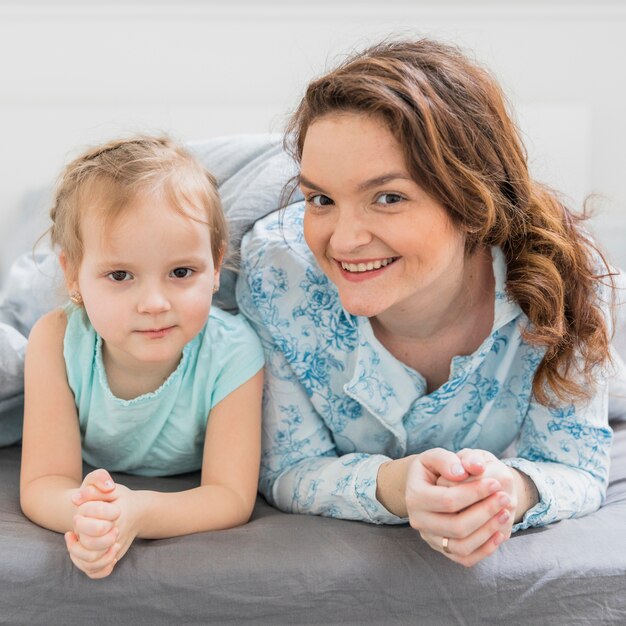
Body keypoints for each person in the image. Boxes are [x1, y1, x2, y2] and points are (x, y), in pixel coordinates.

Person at [236, 39, 615, 567]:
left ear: (471, 201)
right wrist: (397, 487)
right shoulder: (276, 275)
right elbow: (289, 468)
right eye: (321, 199)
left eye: (388, 198)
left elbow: (576, 467)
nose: (343, 242)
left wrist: (503, 490)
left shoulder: (563, 281)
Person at [20, 136, 264, 579]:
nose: (154, 302)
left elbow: (229, 496)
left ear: (215, 265)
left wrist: (137, 513)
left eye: (181, 272)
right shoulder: (55, 340)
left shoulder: (235, 352)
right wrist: (91, 520)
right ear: (73, 275)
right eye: (120, 275)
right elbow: (44, 484)